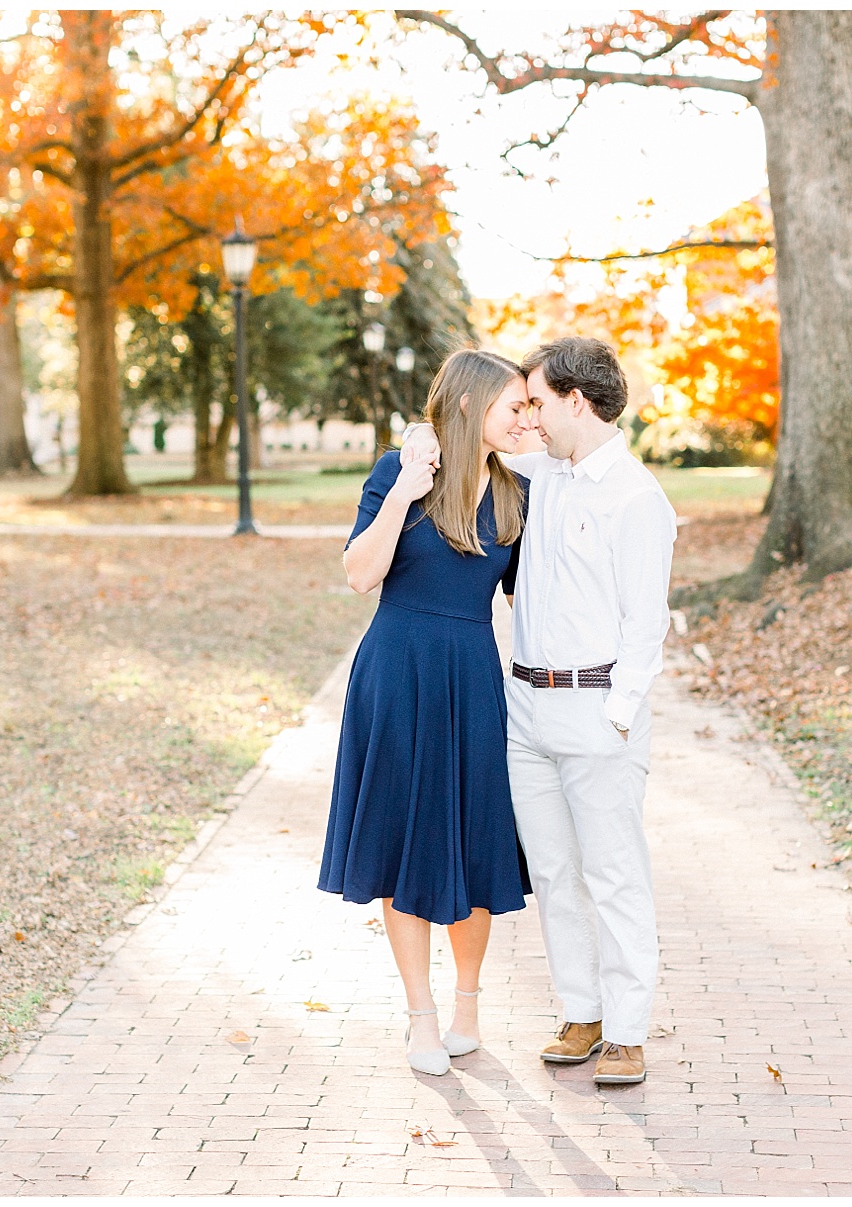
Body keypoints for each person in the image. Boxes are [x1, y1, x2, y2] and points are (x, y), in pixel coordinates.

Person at [402, 336, 676, 1086]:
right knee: (553, 871)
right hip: (524, 707)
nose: (526, 415)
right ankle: (580, 1012)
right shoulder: (536, 474)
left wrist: (619, 716)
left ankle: (625, 1030)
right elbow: (447, 437)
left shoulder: (636, 496)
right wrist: (416, 433)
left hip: (598, 708)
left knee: (614, 872)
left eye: (536, 401)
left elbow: (645, 625)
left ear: (574, 402)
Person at [319, 348, 536, 1077]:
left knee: (475, 843)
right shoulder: (401, 472)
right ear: (473, 405)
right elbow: (359, 574)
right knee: (405, 842)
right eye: (516, 406)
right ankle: (421, 1015)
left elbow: (531, 602)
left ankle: (468, 1004)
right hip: (397, 672)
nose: (525, 418)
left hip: (472, 676)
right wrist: (403, 490)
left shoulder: (515, 496)